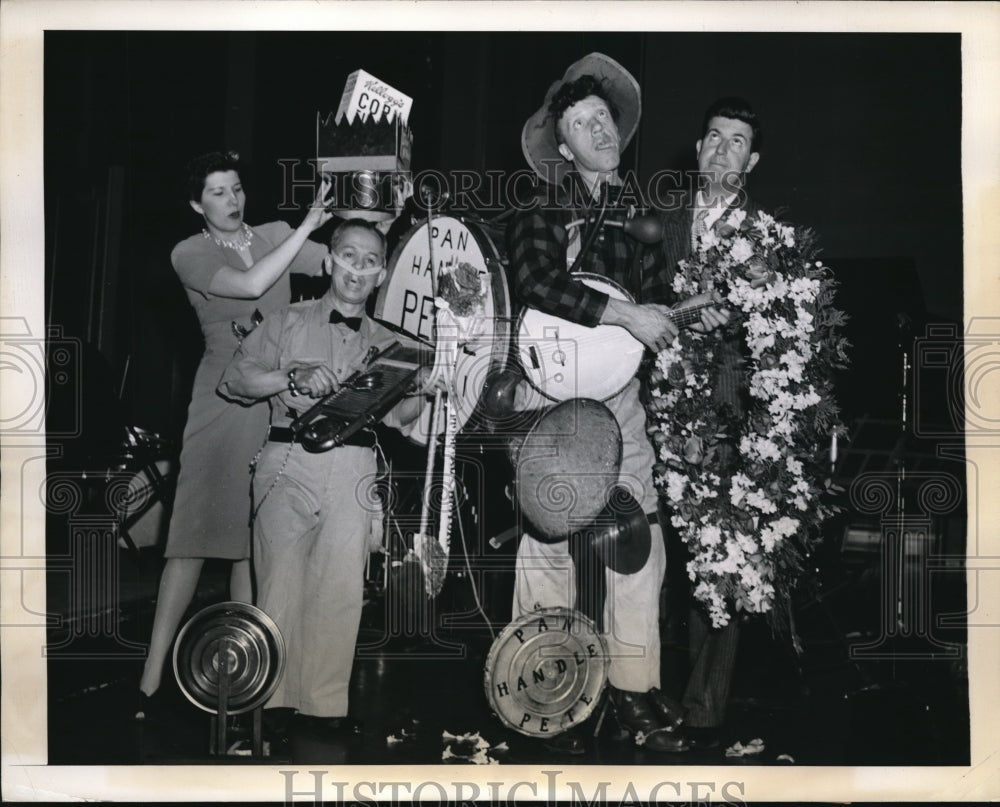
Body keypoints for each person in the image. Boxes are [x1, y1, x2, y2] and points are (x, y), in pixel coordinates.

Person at [505, 53, 726, 755]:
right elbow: (536, 279)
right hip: (551, 394)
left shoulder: (645, 217)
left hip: (622, 400)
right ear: (563, 145)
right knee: (549, 542)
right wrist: (626, 317)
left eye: (603, 118)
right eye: (581, 122)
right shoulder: (541, 203)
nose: (597, 129)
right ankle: (542, 686)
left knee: (636, 539)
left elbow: (653, 308)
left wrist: (680, 314)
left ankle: (632, 695)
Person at [136, 151, 333, 714]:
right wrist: (307, 229)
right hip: (223, 399)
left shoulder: (273, 232)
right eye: (218, 192)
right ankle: (150, 681)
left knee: (254, 543)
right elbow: (250, 286)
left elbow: (339, 265)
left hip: (277, 392)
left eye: (237, 188)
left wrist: (380, 218)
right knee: (193, 539)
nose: (232, 200)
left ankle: (249, 684)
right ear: (197, 204)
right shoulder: (189, 252)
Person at [218, 218, 427, 740]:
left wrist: (428, 385)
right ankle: (265, 706)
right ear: (329, 260)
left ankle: (324, 708)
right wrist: (291, 376)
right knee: (280, 583)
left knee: (340, 588)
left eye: (370, 261)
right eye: (349, 256)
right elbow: (235, 380)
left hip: (355, 468)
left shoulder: (395, 345)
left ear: (381, 275)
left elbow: (403, 421)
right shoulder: (285, 319)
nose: (358, 268)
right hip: (287, 459)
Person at [658, 96, 766, 750]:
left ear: (751, 162)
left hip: (728, 417)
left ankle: (703, 710)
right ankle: (654, 694)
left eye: (737, 141)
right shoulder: (662, 220)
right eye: (714, 138)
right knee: (665, 562)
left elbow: (783, 340)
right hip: (657, 406)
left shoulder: (767, 237)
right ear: (698, 148)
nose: (722, 149)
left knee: (718, 563)